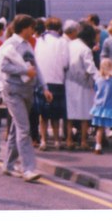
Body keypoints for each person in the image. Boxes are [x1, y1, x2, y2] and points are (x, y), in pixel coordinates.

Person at [0, 14, 52, 182]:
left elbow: (36, 68)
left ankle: (8, 165)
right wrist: (24, 72)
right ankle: (28, 169)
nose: (33, 30)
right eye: (31, 27)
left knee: (17, 128)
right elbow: (4, 66)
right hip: (13, 91)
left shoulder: (28, 45)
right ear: (24, 28)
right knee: (24, 129)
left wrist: (44, 87)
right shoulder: (10, 45)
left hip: (27, 91)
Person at [34, 16, 69, 150]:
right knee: (55, 115)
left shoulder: (40, 40)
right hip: (57, 80)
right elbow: (66, 62)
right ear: (59, 28)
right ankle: (56, 141)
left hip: (42, 81)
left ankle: (43, 140)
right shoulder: (62, 42)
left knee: (43, 115)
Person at [65, 22, 99, 150]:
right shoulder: (85, 49)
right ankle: (84, 141)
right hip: (83, 83)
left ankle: (69, 140)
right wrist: (101, 79)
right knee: (85, 114)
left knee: (70, 114)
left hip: (69, 81)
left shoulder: (69, 45)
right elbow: (91, 68)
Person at [91, 58, 112, 153]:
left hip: (100, 107)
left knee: (100, 128)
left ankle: (98, 146)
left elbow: (96, 89)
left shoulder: (98, 80)